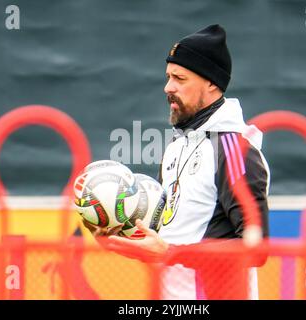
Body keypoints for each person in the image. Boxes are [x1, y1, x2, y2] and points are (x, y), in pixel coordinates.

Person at [84, 24, 270, 300]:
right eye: (168, 77)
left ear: (211, 83)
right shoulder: (176, 146)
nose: (167, 87)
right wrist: (116, 232)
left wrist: (171, 253)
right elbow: (167, 234)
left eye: (179, 78)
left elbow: (256, 249)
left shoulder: (234, 148)